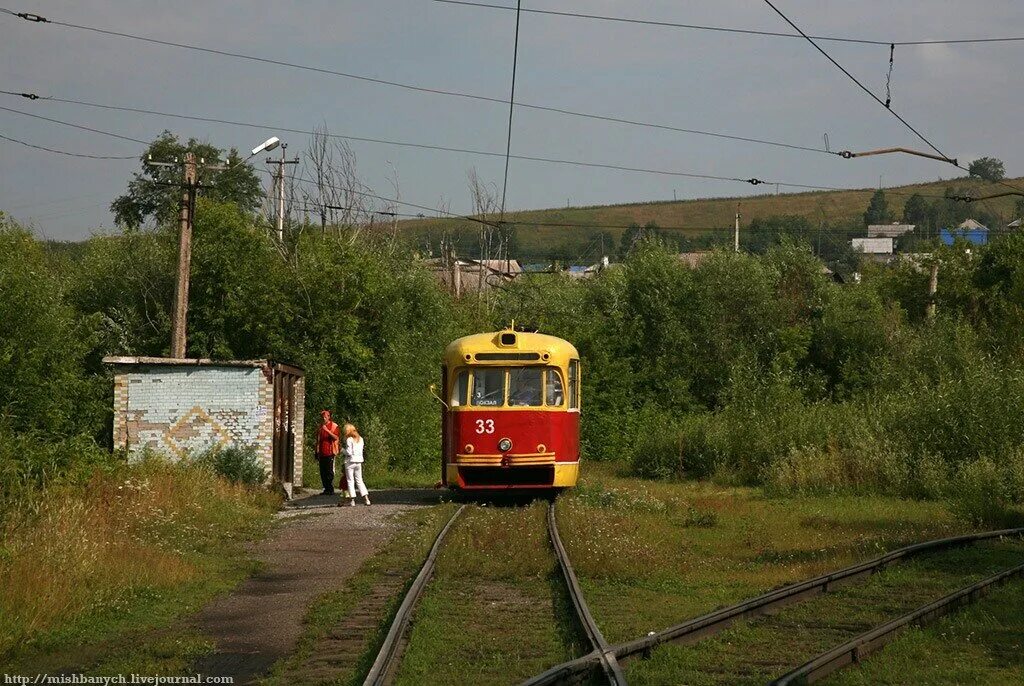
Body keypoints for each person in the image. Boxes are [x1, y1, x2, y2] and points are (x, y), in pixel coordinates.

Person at [342, 423, 370, 507]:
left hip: (350, 462)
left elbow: (349, 453)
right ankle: (366, 499)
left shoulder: (349, 439)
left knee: (350, 480)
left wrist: (342, 450)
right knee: (359, 480)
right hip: (359, 462)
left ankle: (352, 500)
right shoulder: (360, 439)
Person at [316, 410, 340, 495]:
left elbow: (336, 437)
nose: (323, 419)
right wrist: (317, 451)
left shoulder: (334, 426)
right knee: (322, 471)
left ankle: (330, 489)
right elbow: (318, 440)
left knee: (329, 471)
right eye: (322, 417)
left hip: (330, 452)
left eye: (325, 417)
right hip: (322, 452)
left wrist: (327, 431)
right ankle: (326, 488)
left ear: (329, 417)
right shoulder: (320, 427)